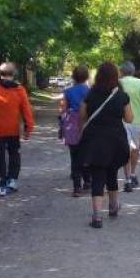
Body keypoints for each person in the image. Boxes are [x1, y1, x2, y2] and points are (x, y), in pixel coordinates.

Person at [79, 62, 133, 229]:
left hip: (95, 140)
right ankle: (113, 206)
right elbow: (129, 118)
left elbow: (82, 115)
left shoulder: (90, 94)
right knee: (112, 173)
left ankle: (96, 216)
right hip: (116, 140)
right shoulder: (121, 96)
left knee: (98, 175)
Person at [0, 62, 35, 197]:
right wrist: (29, 128)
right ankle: (12, 180)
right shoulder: (19, 89)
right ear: (14, 74)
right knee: (14, 154)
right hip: (13, 130)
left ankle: (1, 185)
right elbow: (26, 110)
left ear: (0, 74)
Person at [60, 65, 91, 197]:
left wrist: (61, 126)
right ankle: (87, 181)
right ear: (87, 77)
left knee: (74, 156)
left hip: (72, 123)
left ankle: (76, 187)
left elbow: (64, 110)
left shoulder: (68, 91)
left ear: (73, 77)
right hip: (87, 123)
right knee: (86, 154)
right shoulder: (90, 91)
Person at [119, 61, 140, 192]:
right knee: (135, 148)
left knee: (125, 149)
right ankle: (132, 173)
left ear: (121, 71)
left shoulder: (118, 83)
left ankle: (127, 179)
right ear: (133, 71)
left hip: (121, 121)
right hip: (138, 121)